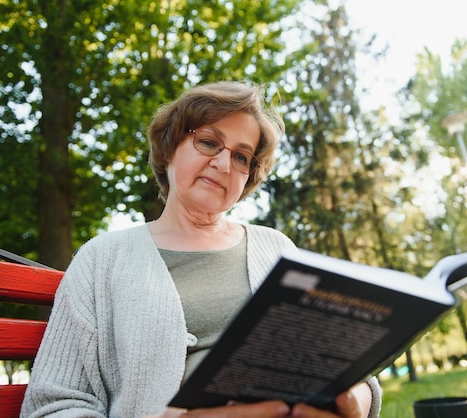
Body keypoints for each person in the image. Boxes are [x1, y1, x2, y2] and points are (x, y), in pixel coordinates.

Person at [20, 80, 382, 418]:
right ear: (169, 147)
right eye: (208, 142)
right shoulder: (103, 259)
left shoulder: (277, 249)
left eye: (241, 157)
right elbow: (53, 404)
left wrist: (354, 399)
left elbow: (344, 366)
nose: (224, 164)